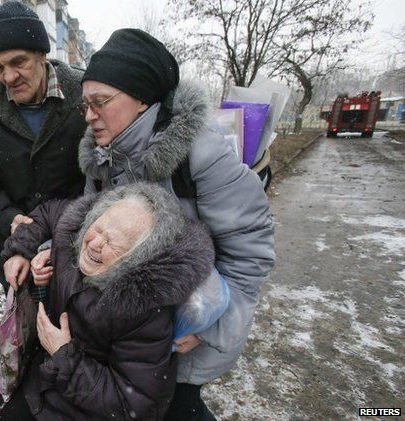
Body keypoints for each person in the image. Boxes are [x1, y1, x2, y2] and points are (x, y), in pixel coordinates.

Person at [30, 29, 276, 420]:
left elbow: (250, 253)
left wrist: (212, 330)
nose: (90, 115)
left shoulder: (201, 156)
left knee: (177, 406)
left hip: (182, 331)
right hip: (129, 334)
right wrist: (53, 252)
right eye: (85, 106)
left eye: (100, 102)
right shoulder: (101, 158)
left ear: (143, 99)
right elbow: (93, 226)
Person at [0, 183, 216, 420]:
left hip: (80, 408)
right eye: (98, 229)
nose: (94, 244)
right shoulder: (77, 227)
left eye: (113, 243)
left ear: (138, 257)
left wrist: (64, 355)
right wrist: (20, 250)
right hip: (41, 381)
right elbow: (47, 213)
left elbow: (134, 406)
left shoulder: (144, 311)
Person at [0, 2, 87, 290]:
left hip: (77, 243)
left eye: (19, 62)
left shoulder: (82, 94)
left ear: (42, 55)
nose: (8, 77)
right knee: (24, 327)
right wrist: (9, 217)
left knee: (75, 325)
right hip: (14, 249)